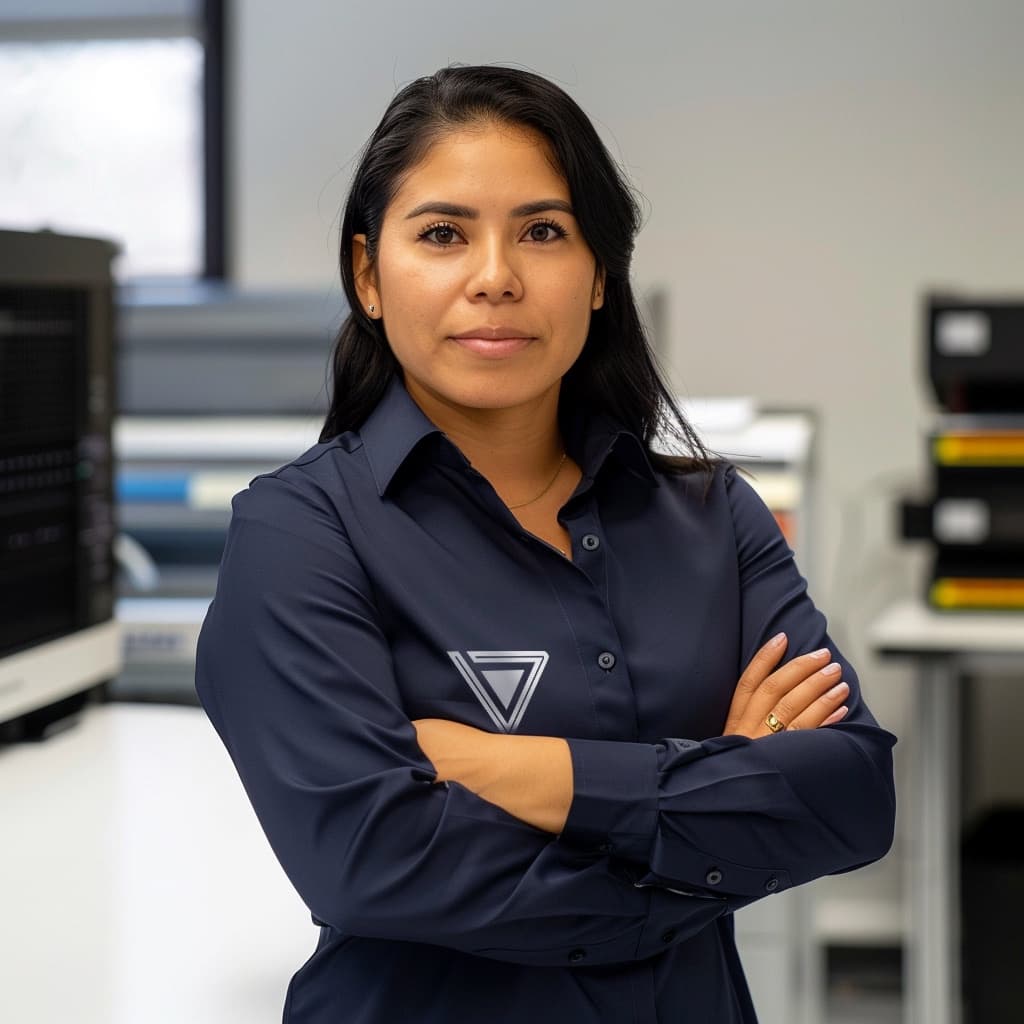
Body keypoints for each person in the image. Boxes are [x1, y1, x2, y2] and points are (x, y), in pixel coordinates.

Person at [194, 64, 896, 1024]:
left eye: (544, 232)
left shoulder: (710, 515)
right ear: (367, 274)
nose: (496, 277)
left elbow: (852, 794)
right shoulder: (301, 534)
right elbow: (373, 863)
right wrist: (716, 819)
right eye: (443, 234)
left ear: (600, 273)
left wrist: (508, 767)